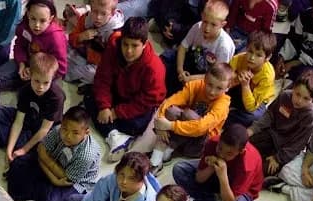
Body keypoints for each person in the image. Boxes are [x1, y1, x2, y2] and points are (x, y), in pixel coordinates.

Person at [88, 17, 167, 162]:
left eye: (134, 46)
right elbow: (102, 78)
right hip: (117, 91)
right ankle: (115, 136)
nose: (129, 51)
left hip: (136, 104)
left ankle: (111, 130)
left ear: (145, 44)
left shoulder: (155, 68)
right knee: (90, 97)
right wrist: (105, 106)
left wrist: (116, 112)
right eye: (125, 44)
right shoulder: (113, 46)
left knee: (137, 124)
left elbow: (147, 101)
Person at [137, 63, 233, 173]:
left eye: (219, 88)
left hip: (199, 145)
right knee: (171, 111)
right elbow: (170, 102)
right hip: (184, 133)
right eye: (210, 85)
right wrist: (160, 123)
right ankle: (160, 157)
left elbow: (201, 127)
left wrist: (170, 126)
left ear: (228, 87)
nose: (212, 91)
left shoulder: (223, 103)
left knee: (189, 115)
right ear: (205, 79)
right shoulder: (195, 85)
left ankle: (160, 154)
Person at [7, 105, 100, 201]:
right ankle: (36, 191)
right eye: (65, 129)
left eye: (75, 133)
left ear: (86, 132)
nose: (68, 136)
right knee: (18, 162)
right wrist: (54, 179)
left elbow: (64, 177)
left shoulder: (86, 155)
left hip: (74, 181)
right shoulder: (58, 130)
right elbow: (41, 149)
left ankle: (33, 191)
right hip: (55, 164)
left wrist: (43, 159)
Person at [172, 123, 263, 201]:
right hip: (216, 176)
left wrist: (223, 176)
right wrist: (211, 167)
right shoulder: (213, 142)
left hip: (242, 191)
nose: (222, 155)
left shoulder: (247, 164)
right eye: (220, 148)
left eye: (229, 153)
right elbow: (199, 178)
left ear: (241, 151)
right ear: (219, 139)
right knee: (179, 169)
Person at [0, 52, 64, 166]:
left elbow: (44, 130)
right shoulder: (25, 91)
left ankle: (12, 143)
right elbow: (18, 122)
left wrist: (24, 149)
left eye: (46, 83)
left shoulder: (57, 97)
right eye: (36, 81)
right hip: (29, 119)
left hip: (44, 130)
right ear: (30, 74)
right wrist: (9, 149)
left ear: (52, 79)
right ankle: (11, 144)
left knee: (43, 148)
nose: (41, 87)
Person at [250, 69, 313, 181]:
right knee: (243, 146)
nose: (299, 100)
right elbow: (270, 114)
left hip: (284, 149)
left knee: (259, 171)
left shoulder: (311, 116)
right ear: (293, 88)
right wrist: (253, 129)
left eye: (306, 98)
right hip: (270, 135)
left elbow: (298, 144)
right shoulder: (284, 96)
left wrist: (278, 159)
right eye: (297, 94)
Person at [163, 0, 235, 94]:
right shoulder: (197, 27)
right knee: (167, 63)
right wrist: (180, 70)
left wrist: (191, 78)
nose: (207, 28)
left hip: (211, 78)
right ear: (202, 16)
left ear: (222, 25)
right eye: (205, 21)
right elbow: (183, 47)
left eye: (213, 24)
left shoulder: (224, 47)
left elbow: (217, 76)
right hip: (194, 63)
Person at [0, 0, 66, 91]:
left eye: (42, 21)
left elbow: (61, 69)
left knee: (49, 94)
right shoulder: (24, 26)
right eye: (33, 18)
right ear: (28, 14)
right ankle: (26, 84)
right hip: (26, 65)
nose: (37, 25)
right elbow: (19, 46)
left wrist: (36, 74)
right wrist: (21, 64)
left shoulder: (56, 38)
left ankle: (27, 86)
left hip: (46, 75)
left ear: (50, 19)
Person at [64, 0, 124, 88]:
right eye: (95, 12)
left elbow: (113, 63)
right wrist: (81, 36)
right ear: (90, 8)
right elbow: (72, 39)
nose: (98, 17)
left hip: (99, 65)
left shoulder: (116, 34)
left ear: (112, 13)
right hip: (83, 54)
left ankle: (67, 74)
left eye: (103, 14)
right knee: (61, 42)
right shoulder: (85, 19)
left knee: (95, 76)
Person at [225, 30, 277, 127]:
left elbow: (251, 107)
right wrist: (236, 77)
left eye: (258, 55)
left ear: (268, 57)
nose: (252, 58)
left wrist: (245, 85)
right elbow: (224, 78)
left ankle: (226, 116)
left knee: (254, 117)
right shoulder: (239, 58)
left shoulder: (268, 76)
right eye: (250, 51)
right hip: (238, 88)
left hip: (256, 100)